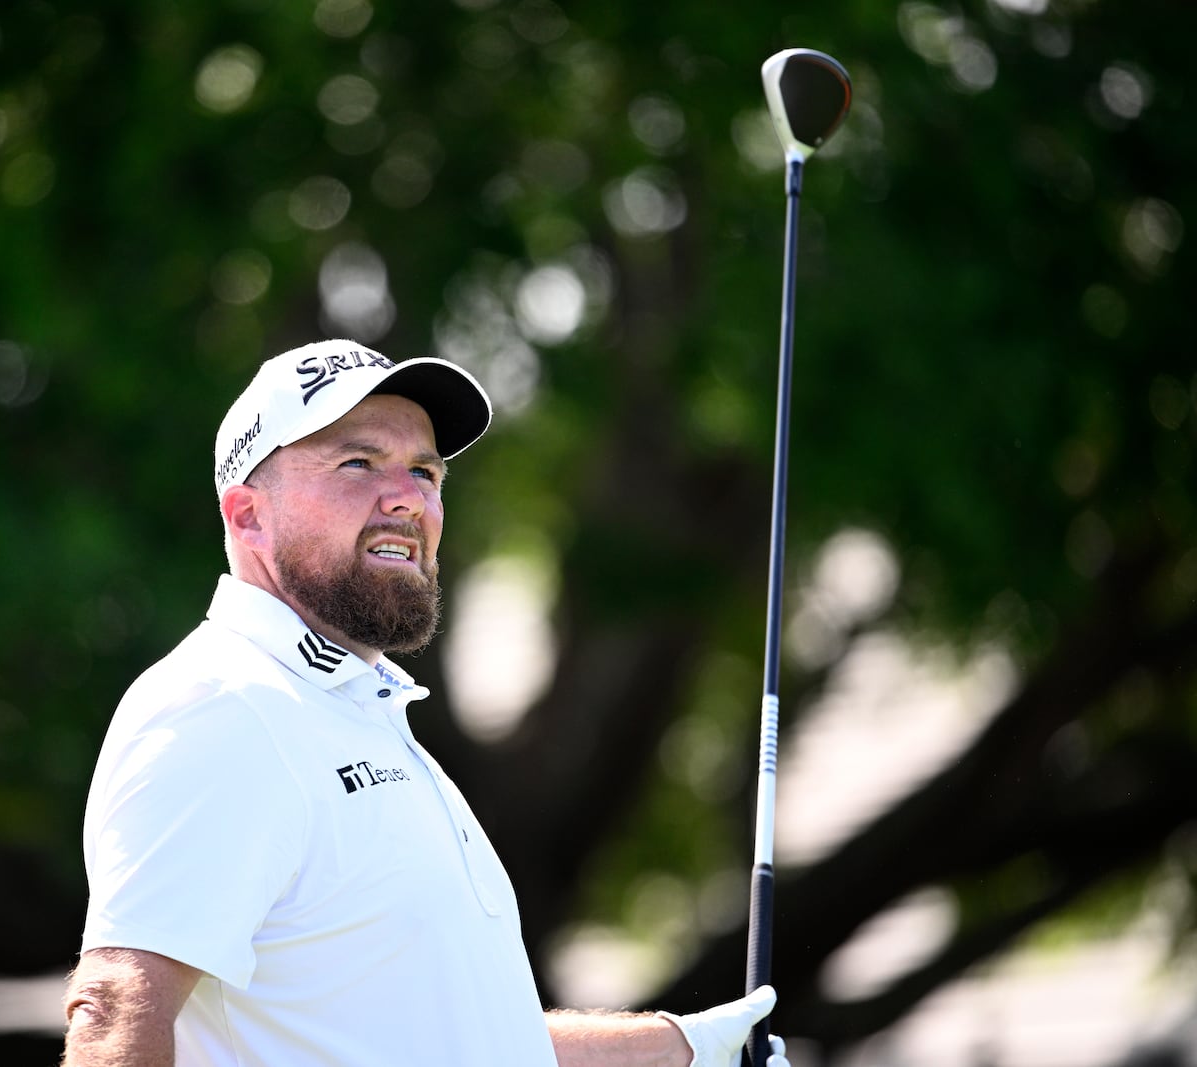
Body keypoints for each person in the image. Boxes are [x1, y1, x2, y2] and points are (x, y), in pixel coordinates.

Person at [63, 340, 788, 1066]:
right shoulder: (223, 706)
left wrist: (680, 1049)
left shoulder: (353, 713)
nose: (410, 498)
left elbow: (458, 1040)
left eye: (424, 470)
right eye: (358, 462)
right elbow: (115, 1016)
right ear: (249, 516)